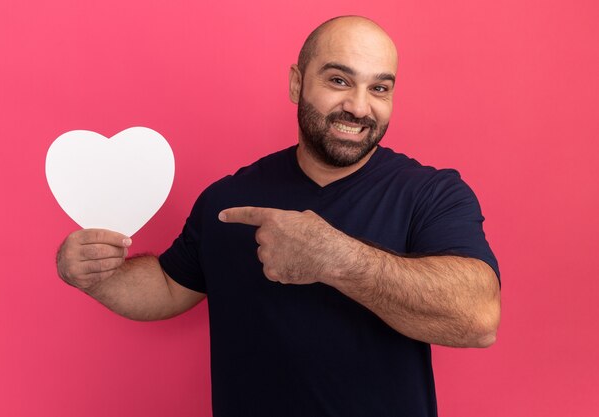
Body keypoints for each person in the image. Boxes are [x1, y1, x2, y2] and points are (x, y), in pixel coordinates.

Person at [56, 16, 501, 417]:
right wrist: (97, 273)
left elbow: (478, 319)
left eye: (379, 88)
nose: (360, 107)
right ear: (296, 83)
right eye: (339, 80)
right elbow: (170, 286)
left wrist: (335, 258)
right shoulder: (228, 198)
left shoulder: (433, 193)